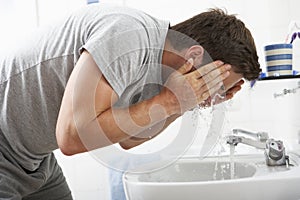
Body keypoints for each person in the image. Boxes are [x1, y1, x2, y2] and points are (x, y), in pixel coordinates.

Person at [0, 3, 260, 200]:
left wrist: (183, 102)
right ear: (193, 55)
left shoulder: (158, 70)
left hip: (34, 158)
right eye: (212, 84)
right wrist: (171, 101)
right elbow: (70, 137)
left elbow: (129, 138)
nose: (210, 94)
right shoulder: (128, 35)